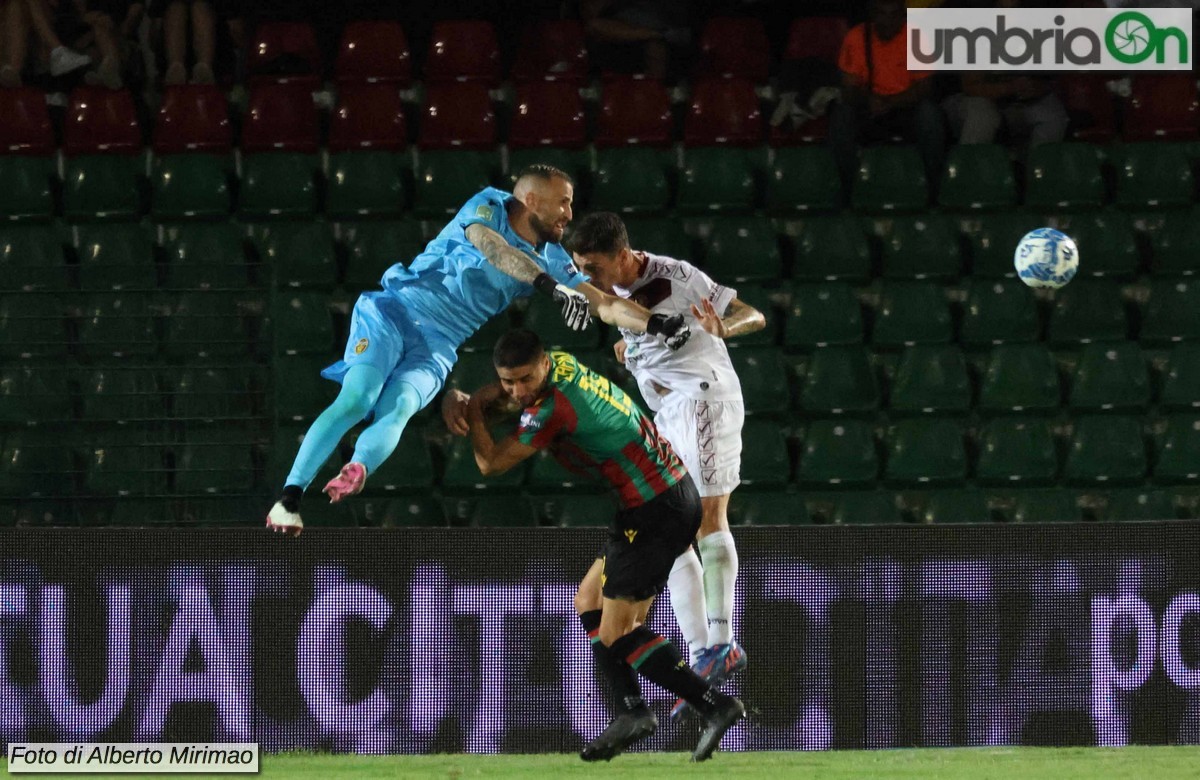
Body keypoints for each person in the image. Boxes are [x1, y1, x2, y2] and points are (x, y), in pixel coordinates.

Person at [265, 165, 691, 535]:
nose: (569, 214)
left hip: (438, 346)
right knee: (358, 398)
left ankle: (357, 468)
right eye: (562, 202)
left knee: (397, 410)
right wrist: (548, 285)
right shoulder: (489, 204)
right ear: (528, 199)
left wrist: (655, 322)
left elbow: (606, 303)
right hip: (393, 310)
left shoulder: (555, 256)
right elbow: (495, 249)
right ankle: (290, 497)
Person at [444, 329, 746, 763]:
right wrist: (482, 396)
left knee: (617, 631)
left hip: (656, 508)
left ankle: (712, 706)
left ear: (544, 363)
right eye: (508, 381)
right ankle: (632, 711)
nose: (516, 391)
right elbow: (508, 398)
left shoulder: (554, 410)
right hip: (655, 501)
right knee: (588, 599)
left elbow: (490, 462)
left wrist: (471, 409)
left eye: (524, 379)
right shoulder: (562, 364)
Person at [567, 211, 765, 721]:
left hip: (704, 398)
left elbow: (752, 313)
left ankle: (722, 639)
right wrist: (632, 349)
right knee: (668, 528)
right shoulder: (616, 296)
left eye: (592, 265)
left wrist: (727, 324)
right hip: (667, 413)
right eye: (578, 266)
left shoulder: (675, 277)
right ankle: (703, 651)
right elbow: (628, 321)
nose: (586, 275)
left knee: (708, 516)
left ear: (621, 256)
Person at [827, 0, 946, 189]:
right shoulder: (856, 37)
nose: (888, 21)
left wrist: (890, 102)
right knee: (842, 115)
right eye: (882, 14)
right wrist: (869, 100)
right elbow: (848, 90)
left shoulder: (915, 36)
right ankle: (847, 188)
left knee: (930, 114)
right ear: (872, 16)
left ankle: (932, 186)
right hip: (869, 107)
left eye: (894, 15)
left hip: (905, 107)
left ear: (903, 16)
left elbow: (924, 88)